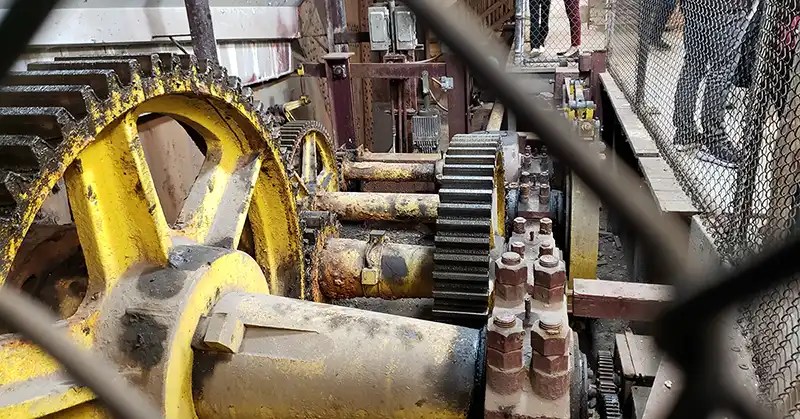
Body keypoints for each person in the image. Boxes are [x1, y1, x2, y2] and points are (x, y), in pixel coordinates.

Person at [672, 0, 754, 168]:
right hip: (728, 9)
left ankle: (684, 133)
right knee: (721, 71)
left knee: (693, 66)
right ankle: (715, 140)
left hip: (695, 7)